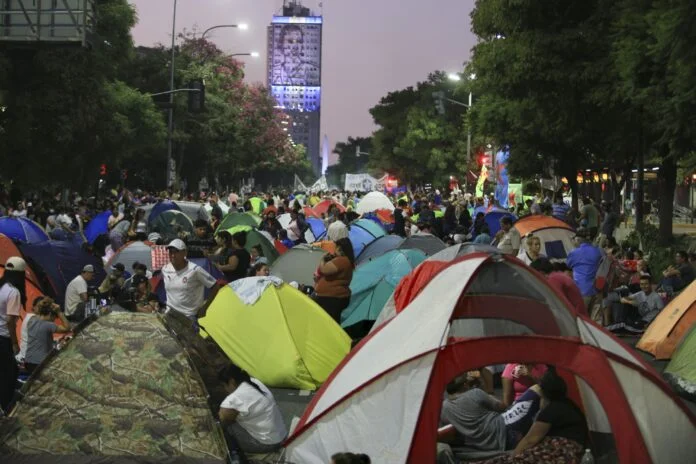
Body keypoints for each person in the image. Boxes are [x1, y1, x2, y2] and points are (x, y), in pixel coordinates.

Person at [481, 370, 588, 463]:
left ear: (544, 392)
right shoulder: (570, 405)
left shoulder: (551, 410)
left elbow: (530, 440)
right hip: (574, 450)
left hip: (560, 449)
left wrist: (512, 458)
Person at [218, 364, 287, 454]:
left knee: (222, 429)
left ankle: (235, 456)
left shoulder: (234, 398)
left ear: (231, 381)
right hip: (282, 437)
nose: (225, 389)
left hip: (266, 444)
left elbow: (222, 418)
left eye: (224, 385)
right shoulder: (255, 382)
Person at [162, 239, 220, 320]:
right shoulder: (165, 269)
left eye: (176, 252)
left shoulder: (195, 270)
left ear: (185, 253)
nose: (173, 255)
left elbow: (215, 286)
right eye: (171, 252)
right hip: (170, 315)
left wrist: (205, 307)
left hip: (189, 317)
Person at [0, 257, 27, 412]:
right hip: (3, 338)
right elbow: (10, 320)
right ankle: (7, 406)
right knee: (8, 374)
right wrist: (14, 343)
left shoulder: (1, 286)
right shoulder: (13, 292)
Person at [24, 297, 70, 373]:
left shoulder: (32, 320)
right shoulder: (48, 325)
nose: (54, 320)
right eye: (54, 318)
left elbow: (39, 306)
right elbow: (67, 328)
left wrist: (48, 303)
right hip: (39, 363)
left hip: (28, 361)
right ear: (50, 314)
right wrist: (59, 311)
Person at [313, 237, 355, 323]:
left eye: (336, 248)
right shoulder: (345, 261)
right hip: (333, 298)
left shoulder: (342, 261)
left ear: (340, 249)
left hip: (332, 299)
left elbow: (324, 269)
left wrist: (322, 259)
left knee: (329, 322)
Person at [566, 230, 603, 313]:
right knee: (593, 321)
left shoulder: (574, 253)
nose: (573, 242)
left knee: (581, 318)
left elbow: (568, 265)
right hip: (596, 290)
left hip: (581, 291)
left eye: (574, 239)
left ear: (578, 240)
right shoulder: (597, 251)